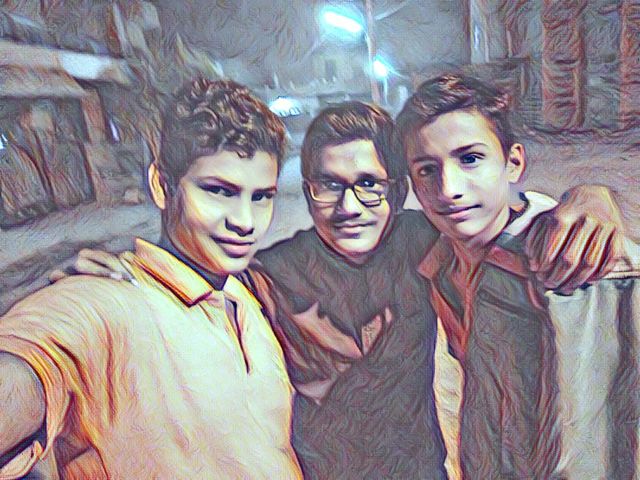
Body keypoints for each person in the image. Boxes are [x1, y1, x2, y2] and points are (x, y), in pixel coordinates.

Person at [59, 100, 630, 479]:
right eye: (329, 185)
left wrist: (591, 196)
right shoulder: (271, 275)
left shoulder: (424, 244)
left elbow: (505, 217)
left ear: (398, 191)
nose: (349, 206)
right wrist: (111, 281)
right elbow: (184, 291)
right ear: (307, 191)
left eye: (369, 185)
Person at [0, 78, 302, 479]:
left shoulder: (241, 298)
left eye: (261, 196)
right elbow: (30, 367)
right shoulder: (104, 303)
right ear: (161, 186)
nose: (246, 221)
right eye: (218, 191)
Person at [397, 72, 640, 479]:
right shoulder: (440, 263)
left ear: (513, 163)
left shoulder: (572, 264)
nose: (449, 188)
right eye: (426, 170)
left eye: (470, 159)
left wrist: (595, 197)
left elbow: (593, 447)